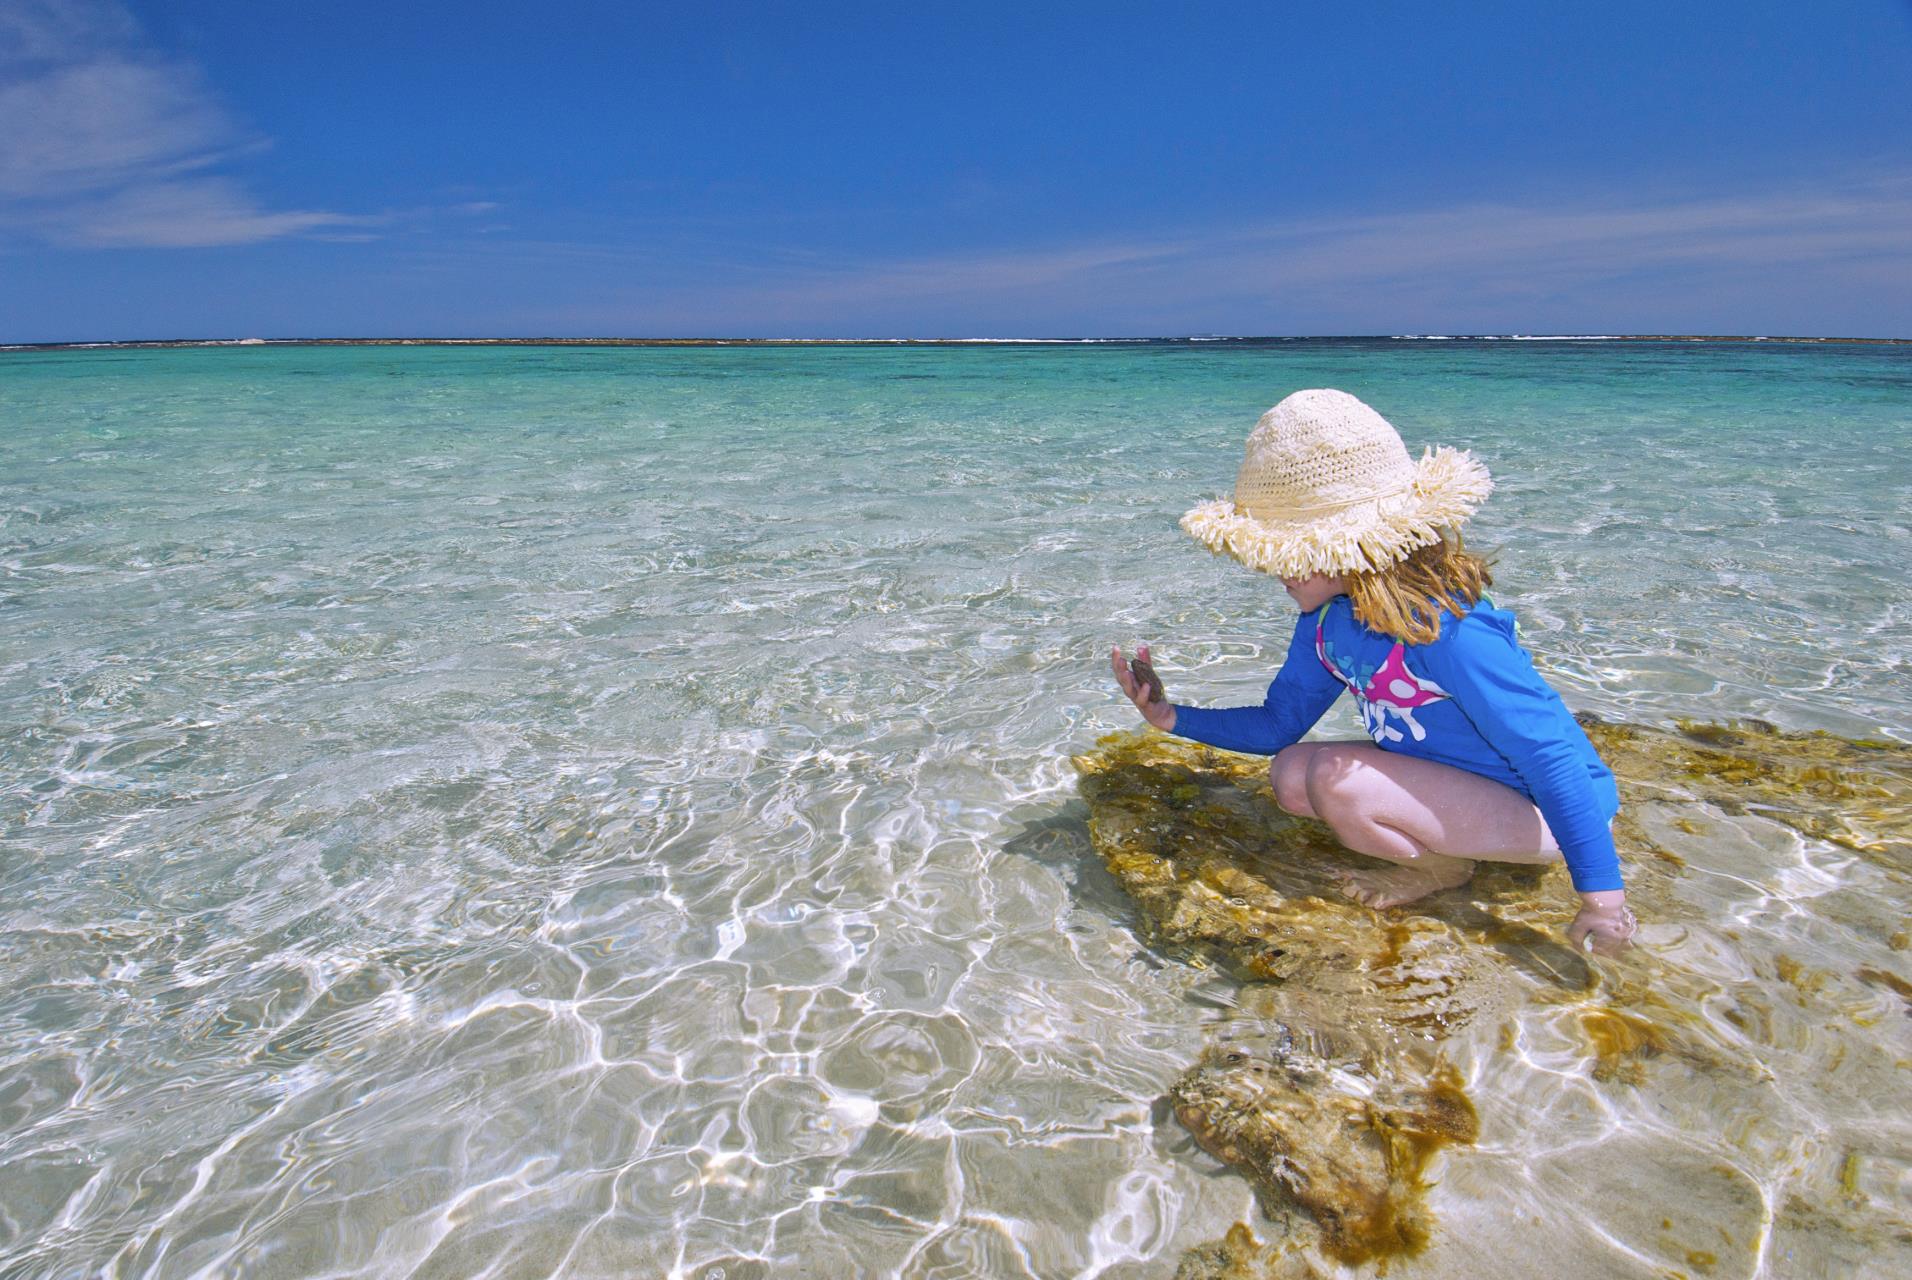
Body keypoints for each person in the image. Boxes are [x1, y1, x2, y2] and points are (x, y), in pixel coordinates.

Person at [1109, 388, 1636, 957]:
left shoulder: (1450, 631)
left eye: (1284, 555)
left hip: (1542, 810)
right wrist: (1168, 716)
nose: (1271, 571)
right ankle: (1445, 850)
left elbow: (1549, 754)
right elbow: (1277, 726)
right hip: (1461, 788)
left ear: (1345, 549)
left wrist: (1601, 899)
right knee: (1292, 774)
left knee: (1339, 776)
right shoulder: (1326, 624)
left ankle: (1439, 869)